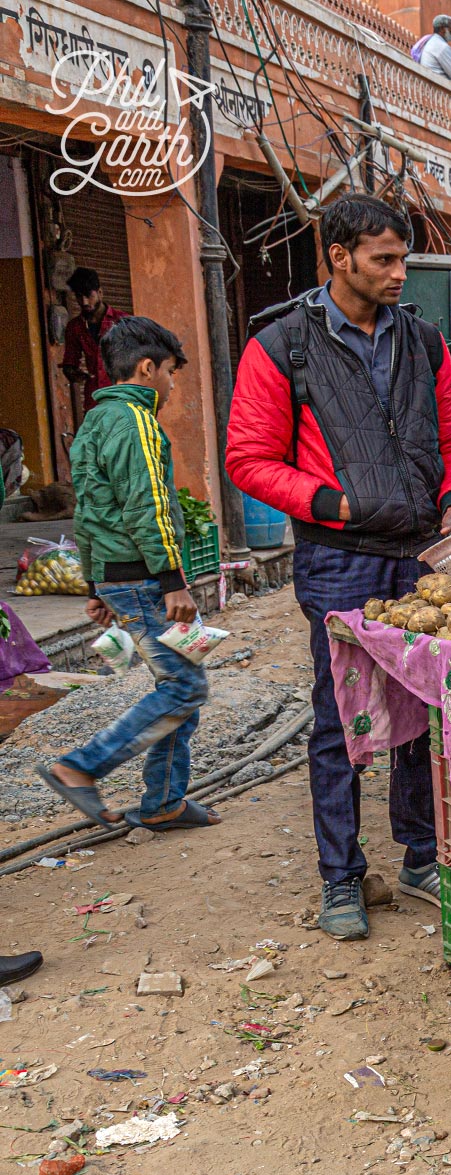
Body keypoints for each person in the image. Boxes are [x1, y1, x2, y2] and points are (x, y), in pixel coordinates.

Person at [226, 195, 451, 942]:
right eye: (384, 260)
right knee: (341, 719)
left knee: (424, 712)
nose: (401, 274)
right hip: (339, 560)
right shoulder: (281, 347)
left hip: (421, 556)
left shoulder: (424, 342)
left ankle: (421, 856)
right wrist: (330, 504)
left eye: (404, 259)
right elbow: (248, 459)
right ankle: (340, 877)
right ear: (339, 257)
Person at [37, 316, 216, 837]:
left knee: (183, 683)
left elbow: (90, 509)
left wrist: (97, 584)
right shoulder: (137, 423)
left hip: (121, 576)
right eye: (170, 372)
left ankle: (164, 801)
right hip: (145, 577)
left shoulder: (93, 422)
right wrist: (173, 582)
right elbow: (150, 509)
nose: (171, 383)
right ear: (146, 368)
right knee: (184, 687)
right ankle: (81, 766)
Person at [61, 267, 125, 400]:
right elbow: (70, 363)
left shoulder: (123, 321)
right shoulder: (75, 327)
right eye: (79, 296)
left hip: (123, 396)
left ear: (100, 293)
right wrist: (74, 374)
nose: (84, 302)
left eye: (89, 295)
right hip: (95, 399)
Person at [413, 14, 451, 87]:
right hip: (438, 86)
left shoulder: (431, 41)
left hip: (429, 83)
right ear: (442, 29)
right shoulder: (441, 46)